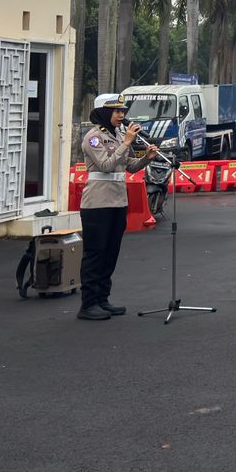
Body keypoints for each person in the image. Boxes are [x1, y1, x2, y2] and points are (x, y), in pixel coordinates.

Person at [77, 93, 150, 321]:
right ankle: (88, 304)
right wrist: (126, 143)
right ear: (104, 113)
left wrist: (147, 158)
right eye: (117, 111)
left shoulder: (118, 135)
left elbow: (129, 167)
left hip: (118, 202)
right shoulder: (93, 138)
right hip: (97, 204)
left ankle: (102, 299)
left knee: (110, 253)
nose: (121, 115)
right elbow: (106, 165)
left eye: (123, 111)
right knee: (95, 254)